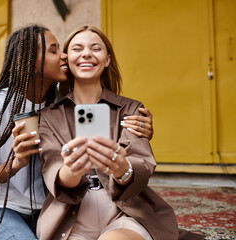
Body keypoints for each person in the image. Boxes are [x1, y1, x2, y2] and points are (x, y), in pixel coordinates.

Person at [0, 25, 154, 240]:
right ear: (29, 62)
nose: (64, 56)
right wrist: (16, 164)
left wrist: (143, 134)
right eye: (54, 51)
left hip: (42, 207)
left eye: (62, 50)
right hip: (1, 206)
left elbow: (135, 153)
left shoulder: (55, 102)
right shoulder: (0, 106)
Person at [36, 26, 204, 240]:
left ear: (107, 59)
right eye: (78, 48)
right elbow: (53, 170)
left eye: (95, 48)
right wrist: (72, 169)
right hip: (70, 215)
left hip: (124, 211)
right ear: (67, 59)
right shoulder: (48, 117)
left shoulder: (132, 110)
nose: (86, 53)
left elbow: (141, 164)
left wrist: (122, 169)